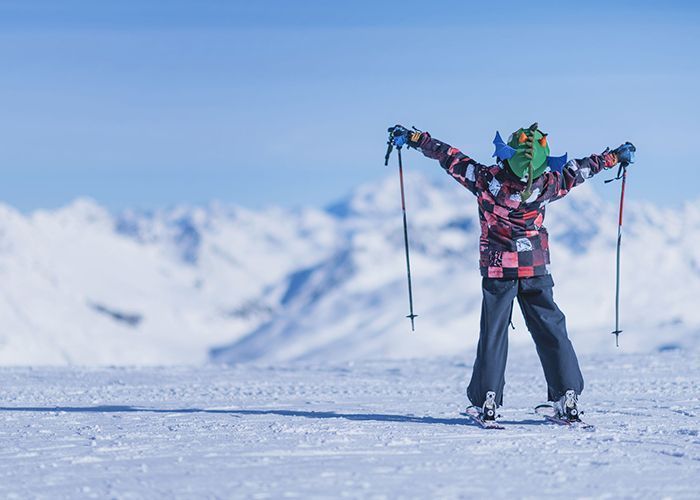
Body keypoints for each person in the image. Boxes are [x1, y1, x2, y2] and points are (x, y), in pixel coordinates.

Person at [389, 122, 635, 422]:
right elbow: (582, 168)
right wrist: (613, 158)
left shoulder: (484, 180)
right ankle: (566, 396)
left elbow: (448, 156)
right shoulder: (549, 183)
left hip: (498, 270)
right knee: (551, 330)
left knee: (493, 334)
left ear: (506, 155)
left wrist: (416, 139)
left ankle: (487, 400)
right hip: (535, 267)